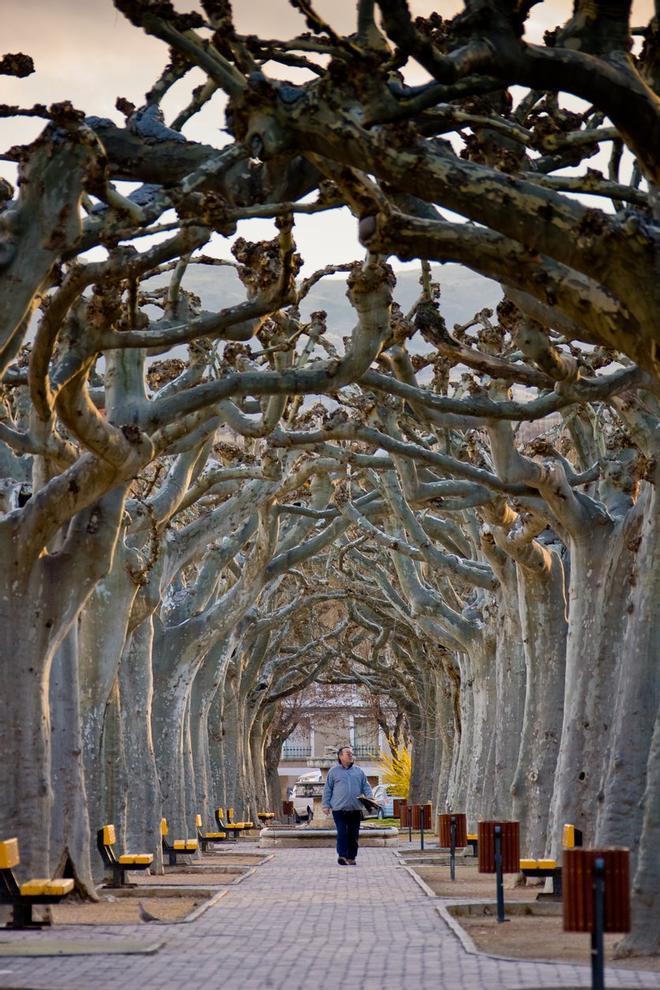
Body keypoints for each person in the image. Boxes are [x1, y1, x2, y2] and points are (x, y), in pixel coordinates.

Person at [322, 745, 373, 865]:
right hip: (339, 809)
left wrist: (370, 797)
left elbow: (366, 786)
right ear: (340, 756)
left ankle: (351, 857)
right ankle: (342, 856)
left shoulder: (358, 771)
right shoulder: (333, 772)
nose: (351, 755)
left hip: (355, 809)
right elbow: (327, 789)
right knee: (342, 832)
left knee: (353, 834)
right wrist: (325, 805)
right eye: (347, 753)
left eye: (351, 753)